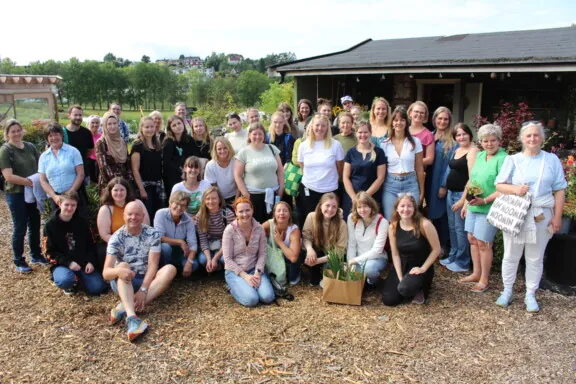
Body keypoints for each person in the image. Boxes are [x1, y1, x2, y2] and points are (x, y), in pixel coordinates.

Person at [494, 121, 566, 312]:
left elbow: (559, 189)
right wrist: (516, 189)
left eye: (536, 135)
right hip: (517, 213)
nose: (532, 139)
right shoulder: (513, 160)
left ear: (542, 138)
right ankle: (507, 291)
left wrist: (557, 217)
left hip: (542, 213)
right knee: (511, 255)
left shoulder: (552, 160)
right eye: (528, 135)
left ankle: (530, 293)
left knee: (535, 257)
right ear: (522, 139)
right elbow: (499, 184)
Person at [103, 202, 177, 341]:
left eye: (137, 214)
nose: (133, 217)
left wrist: (143, 290)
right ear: (124, 216)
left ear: (143, 217)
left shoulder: (152, 233)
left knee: (170, 269)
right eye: (130, 214)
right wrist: (119, 271)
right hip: (123, 282)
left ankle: (125, 306)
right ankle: (132, 318)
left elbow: (153, 266)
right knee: (123, 265)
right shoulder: (116, 238)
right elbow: (106, 273)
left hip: (146, 280)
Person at [460, 124, 507, 293]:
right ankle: (476, 273)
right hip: (474, 205)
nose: (489, 144)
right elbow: (472, 181)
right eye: (485, 141)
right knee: (472, 239)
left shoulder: (504, 159)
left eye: (493, 140)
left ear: (499, 141)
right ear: (480, 142)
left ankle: (484, 280)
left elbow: (504, 187)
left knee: (484, 243)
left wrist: (485, 200)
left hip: (490, 207)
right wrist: (466, 202)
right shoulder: (480, 156)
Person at [0, 119, 48, 273]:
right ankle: (19, 260)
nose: (16, 134)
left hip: (33, 192)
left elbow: (39, 166)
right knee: (20, 227)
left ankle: (36, 254)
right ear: (7, 134)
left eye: (18, 130)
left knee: (35, 224)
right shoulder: (6, 151)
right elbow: (8, 176)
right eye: (12, 131)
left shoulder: (30, 146)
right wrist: (30, 182)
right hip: (16, 194)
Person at [43, 192, 107, 295]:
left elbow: (91, 244)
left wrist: (90, 261)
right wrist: (68, 262)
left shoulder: (82, 222)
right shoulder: (50, 226)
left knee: (98, 288)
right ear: (60, 204)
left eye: (73, 205)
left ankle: (80, 279)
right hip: (63, 264)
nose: (69, 208)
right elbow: (48, 252)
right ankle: (70, 281)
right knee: (64, 280)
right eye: (66, 205)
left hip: (82, 262)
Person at [382, 194, 441, 306]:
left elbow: (436, 249)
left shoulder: (425, 225)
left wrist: (423, 268)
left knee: (404, 289)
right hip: (402, 265)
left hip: (419, 267)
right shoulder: (393, 227)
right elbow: (395, 254)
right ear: (397, 209)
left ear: (414, 208)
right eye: (402, 206)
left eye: (409, 206)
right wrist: (400, 277)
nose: (405, 209)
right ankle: (405, 285)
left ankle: (421, 288)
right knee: (389, 300)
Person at [440, 123, 479, 273]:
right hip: (451, 193)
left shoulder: (473, 151)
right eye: (458, 135)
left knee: (460, 229)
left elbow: (472, 178)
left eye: (464, 134)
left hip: (460, 195)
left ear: (470, 134)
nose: (461, 137)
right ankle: (453, 255)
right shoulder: (457, 150)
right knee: (452, 228)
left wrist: (463, 200)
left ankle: (462, 262)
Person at [223, 197, 275, 307]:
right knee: (252, 300)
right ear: (236, 212)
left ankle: (248, 287)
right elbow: (227, 259)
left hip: (254, 269)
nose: (245, 214)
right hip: (235, 272)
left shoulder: (259, 228)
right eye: (241, 211)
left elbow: (262, 254)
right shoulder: (229, 230)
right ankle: (233, 289)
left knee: (268, 297)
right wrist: (245, 276)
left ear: (252, 210)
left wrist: (257, 272)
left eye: (247, 210)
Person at [297, 114, 344, 228]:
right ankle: (309, 245)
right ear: (312, 126)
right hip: (309, 188)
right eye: (317, 125)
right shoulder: (303, 145)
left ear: (327, 127)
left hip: (329, 190)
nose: (320, 128)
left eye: (323, 126)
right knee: (310, 220)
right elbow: (302, 166)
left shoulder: (335, 145)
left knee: (329, 221)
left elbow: (340, 168)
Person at [380, 107, 425, 220]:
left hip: (410, 183)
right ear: (392, 123)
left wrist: (422, 191)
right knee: (391, 220)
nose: (398, 123)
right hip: (390, 185)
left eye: (402, 120)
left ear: (406, 122)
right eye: (395, 120)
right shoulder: (384, 144)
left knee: (411, 220)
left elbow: (419, 168)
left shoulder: (415, 142)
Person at [234, 123, 284, 223]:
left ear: (264, 136)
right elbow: (237, 175)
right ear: (249, 135)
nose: (258, 137)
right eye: (254, 134)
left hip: (273, 193)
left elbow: (280, 171)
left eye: (260, 134)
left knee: (272, 223)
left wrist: (281, 188)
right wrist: (246, 194)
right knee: (256, 224)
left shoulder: (272, 148)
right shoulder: (244, 152)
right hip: (253, 196)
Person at [97, 177, 150, 268]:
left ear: (127, 191)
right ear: (110, 191)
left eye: (122, 190)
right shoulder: (105, 209)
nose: (119, 193)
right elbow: (104, 234)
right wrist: (126, 244)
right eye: (116, 190)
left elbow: (146, 226)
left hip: (139, 241)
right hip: (117, 244)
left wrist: (136, 243)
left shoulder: (137, 203)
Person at [425, 107, 458, 254]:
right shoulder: (430, 136)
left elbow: (451, 165)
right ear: (434, 119)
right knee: (428, 212)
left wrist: (444, 185)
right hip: (427, 180)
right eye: (440, 118)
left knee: (441, 215)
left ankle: (444, 245)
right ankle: (431, 245)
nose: (442, 121)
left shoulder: (452, 141)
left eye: (446, 119)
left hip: (440, 181)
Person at [342, 120, 386, 219]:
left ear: (370, 133)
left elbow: (380, 178)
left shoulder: (379, 152)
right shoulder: (350, 152)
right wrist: (354, 198)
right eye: (360, 132)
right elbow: (345, 177)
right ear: (356, 133)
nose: (363, 135)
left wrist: (365, 197)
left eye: (365, 132)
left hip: (372, 195)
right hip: (352, 196)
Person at [39, 122, 86, 212]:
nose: (54, 138)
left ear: (61, 135)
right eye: (50, 136)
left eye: (56, 134)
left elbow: (80, 174)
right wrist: (54, 196)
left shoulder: (73, 151)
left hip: (74, 195)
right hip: (56, 199)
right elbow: (43, 180)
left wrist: (69, 194)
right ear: (47, 138)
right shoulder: (43, 157)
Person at [302, 193, 348, 286]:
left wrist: (317, 261)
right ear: (320, 206)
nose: (330, 209)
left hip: (333, 256)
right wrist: (309, 249)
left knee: (326, 284)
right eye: (327, 205)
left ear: (337, 208)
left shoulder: (341, 224)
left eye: (334, 207)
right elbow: (306, 236)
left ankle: (324, 270)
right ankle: (315, 273)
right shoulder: (311, 216)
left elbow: (340, 250)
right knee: (308, 255)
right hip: (317, 250)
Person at [347, 192, 389, 287]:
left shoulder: (382, 222)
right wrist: (351, 262)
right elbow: (352, 244)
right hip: (357, 258)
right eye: (359, 207)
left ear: (371, 206)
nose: (362, 210)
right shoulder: (351, 219)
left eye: (365, 206)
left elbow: (377, 251)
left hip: (376, 259)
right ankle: (361, 282)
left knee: (369, 269)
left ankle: (372, 282)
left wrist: (355, 260)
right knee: (347, 268)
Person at [154, 191, 198, 277]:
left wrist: (189, 263)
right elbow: (158, 237)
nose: (179, 208)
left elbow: (193, 244)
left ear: (186, 207)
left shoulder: (189, 220)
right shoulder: (160, 214)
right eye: (177, 204)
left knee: (194, 265)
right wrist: (180, 242)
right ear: (170, 203)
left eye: (183, 205)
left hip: (180, 252)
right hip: (165, 250)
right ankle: (164, 272)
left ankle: (178, 269)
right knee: (165, 247)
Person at [131, 116, 164, 221]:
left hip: (157, 185)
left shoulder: (157, 145)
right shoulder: (138, 146)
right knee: (147, 215)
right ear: (141, 129)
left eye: (152, 126)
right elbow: (135, 170)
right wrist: (142, 189)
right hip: (145, 186)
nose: (150, 129)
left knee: (157, 215)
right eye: (147, 127)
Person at [196, 187, 236, 272]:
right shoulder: (200, 216)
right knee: (203, 260)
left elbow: (228, 240)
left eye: (214, 198)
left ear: (219, 200)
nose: (210, 201)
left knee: (223, 260)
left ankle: (220, 267)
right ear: (204, 200)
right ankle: (214, 266)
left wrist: (215, 258)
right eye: (208, 199)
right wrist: (209, 259)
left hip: (224, 244)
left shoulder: (227, 214)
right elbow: (203, 240)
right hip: (209, 244)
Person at [262, 201, 302, 285]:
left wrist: (279, 242)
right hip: (273, 256)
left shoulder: (294, 230)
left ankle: (295, 273)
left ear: (290, 214)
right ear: (274, 214)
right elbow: (254, 235)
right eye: (278, 210)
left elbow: (293, 257)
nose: (282, 213)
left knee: (293, 280)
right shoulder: (269, 225)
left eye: (285, 211)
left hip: (288, 257)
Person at [95, 112, 132, 195]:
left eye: (115, 123)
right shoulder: (101, 142)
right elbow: (103, 166)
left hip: (124, 182)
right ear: (105, 125)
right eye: (109, 124)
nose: (113, 126)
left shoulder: (122, 141)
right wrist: (116, 183)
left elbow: (127, 162)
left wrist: (128, 180)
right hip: (109, 183)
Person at [162, 115, 194, 196]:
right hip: (173, 178)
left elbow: (193, 157)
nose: (178, 126)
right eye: (174, 125)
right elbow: (167, 162)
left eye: (179, 123)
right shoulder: (168, 142)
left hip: (189, 175)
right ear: (170, 129)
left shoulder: (189, 140)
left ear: (183, 124)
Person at [65, 105, 94, 187]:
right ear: (69, 115)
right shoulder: (62, 133)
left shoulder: (87, 133)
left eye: (80, 115)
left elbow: (89, 151)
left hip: (84, 172)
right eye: (75, 115)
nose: (78, 117)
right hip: (67, 174)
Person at [204, 137, 238, 207]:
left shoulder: (236, 161)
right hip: (218, 197)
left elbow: (239, 182)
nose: (222, 151)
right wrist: (221, 201)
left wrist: (236, 200)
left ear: (229, 148)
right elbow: (213, 186)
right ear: (215, 150)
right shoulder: (211, 165)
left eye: (225, 148)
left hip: (236, 195)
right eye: (219, 149)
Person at [407, 101, 434, 167]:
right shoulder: (403, 130)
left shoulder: (428, 135)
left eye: (422, 113)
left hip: (417, 172)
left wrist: (410, 162)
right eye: (416, 111)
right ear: (410, 113)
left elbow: (430, 159)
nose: (419, 114)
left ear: (425, 116)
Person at [86, 115, 102, 184]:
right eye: (92, 122)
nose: (95, 125)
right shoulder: (85, 135)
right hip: (88, 162)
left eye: (97, 123)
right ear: (88, 124)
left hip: (99, 162)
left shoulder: (102, 136)